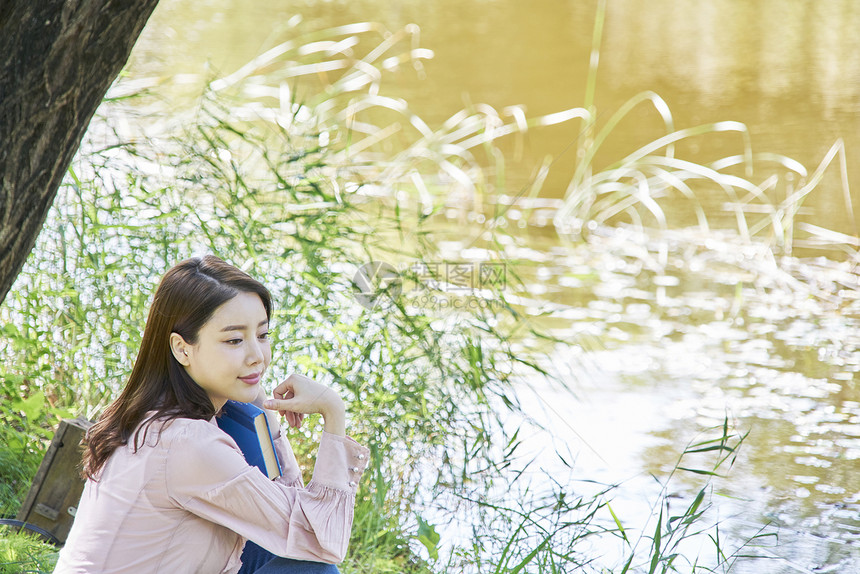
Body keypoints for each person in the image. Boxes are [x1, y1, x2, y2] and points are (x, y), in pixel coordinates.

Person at [54, 255, 368, 574]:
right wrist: (333, 412)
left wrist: (265, 412)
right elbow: (321, 539)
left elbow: (288, 508)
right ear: (182, 348)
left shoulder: (157, 407)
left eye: (262, 335)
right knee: (312, 569)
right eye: (234, 340)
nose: (257, 356)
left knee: (288, 547)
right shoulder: (190, 443)